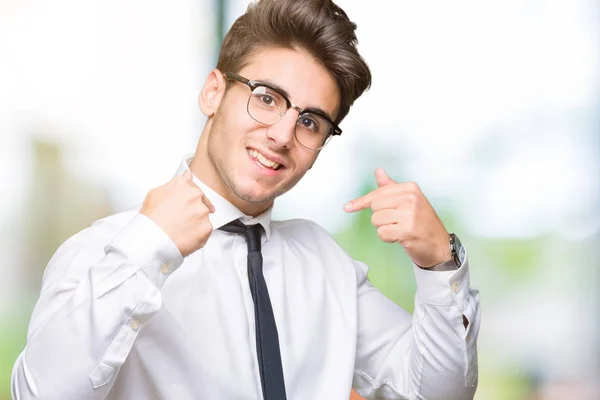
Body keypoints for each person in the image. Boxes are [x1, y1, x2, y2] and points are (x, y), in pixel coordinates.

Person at [11, 0, 480, 399]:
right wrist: (146, 249)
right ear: (213, 92)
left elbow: (435, 391)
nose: (281, 136)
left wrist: (440, 263)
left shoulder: (326, 267)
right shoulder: (105, 250)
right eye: (268, 97)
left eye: (311, 121)